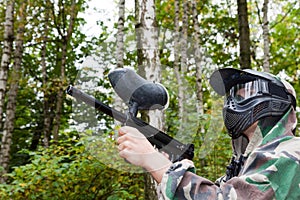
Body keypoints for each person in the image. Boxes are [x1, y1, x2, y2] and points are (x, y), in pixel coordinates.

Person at [116, 68, 299, 199]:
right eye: (232, 96)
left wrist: (153, 160)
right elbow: (210, 193)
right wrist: (166, 168)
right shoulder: (243, 168)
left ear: (276, 101)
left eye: (244, 95)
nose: (232, 104)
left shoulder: (291, 152)